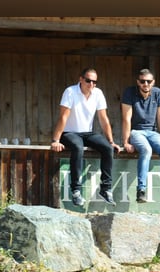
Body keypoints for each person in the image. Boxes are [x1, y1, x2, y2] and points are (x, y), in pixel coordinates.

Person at [50, 67, 120, 207]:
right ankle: (76, 190)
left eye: (94, 82)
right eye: (88, 80)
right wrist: (55, 140)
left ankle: (105, 189)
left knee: (107, 148)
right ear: (81, 79)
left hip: (87, 132)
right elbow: (64, 117)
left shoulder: (98, 93)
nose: (91, 84)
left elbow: (103, 119)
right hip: (69, 132)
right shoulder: (70, 92)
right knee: (78, 147)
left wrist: (111, 141)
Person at [121, 69, 160, 203]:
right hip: (136, 131)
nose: (145, 84)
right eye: (142, 81)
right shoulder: (129, 92)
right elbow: (126, 118)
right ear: (138, 82)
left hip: (152, 131)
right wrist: (126, 141)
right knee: (146, 150)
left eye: (149, 81)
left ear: (153, 82)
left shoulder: (158, 93)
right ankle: (141, 190)